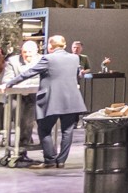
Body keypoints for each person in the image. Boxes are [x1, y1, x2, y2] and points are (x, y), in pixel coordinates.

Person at [10, 35, 88, 168]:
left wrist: (10, 83)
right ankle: (61, 161)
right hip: (72, 100)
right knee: (67, 131)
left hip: (53, 100)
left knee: (44, 129)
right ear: (64, 45)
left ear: (50, 46)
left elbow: (29, 72)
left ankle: (50, 160)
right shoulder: (75, 58)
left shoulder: (48, 58)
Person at [1, 39, 42, 165]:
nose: (27, 54)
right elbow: (7, 80)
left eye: (30, 52)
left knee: (32, 121)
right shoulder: (13, 61)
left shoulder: (42, 60)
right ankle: (18, 149)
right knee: (21, 121)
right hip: (16, 98)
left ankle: (26, 148)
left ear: (36, 51)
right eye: (25, 52)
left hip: (35, 97)